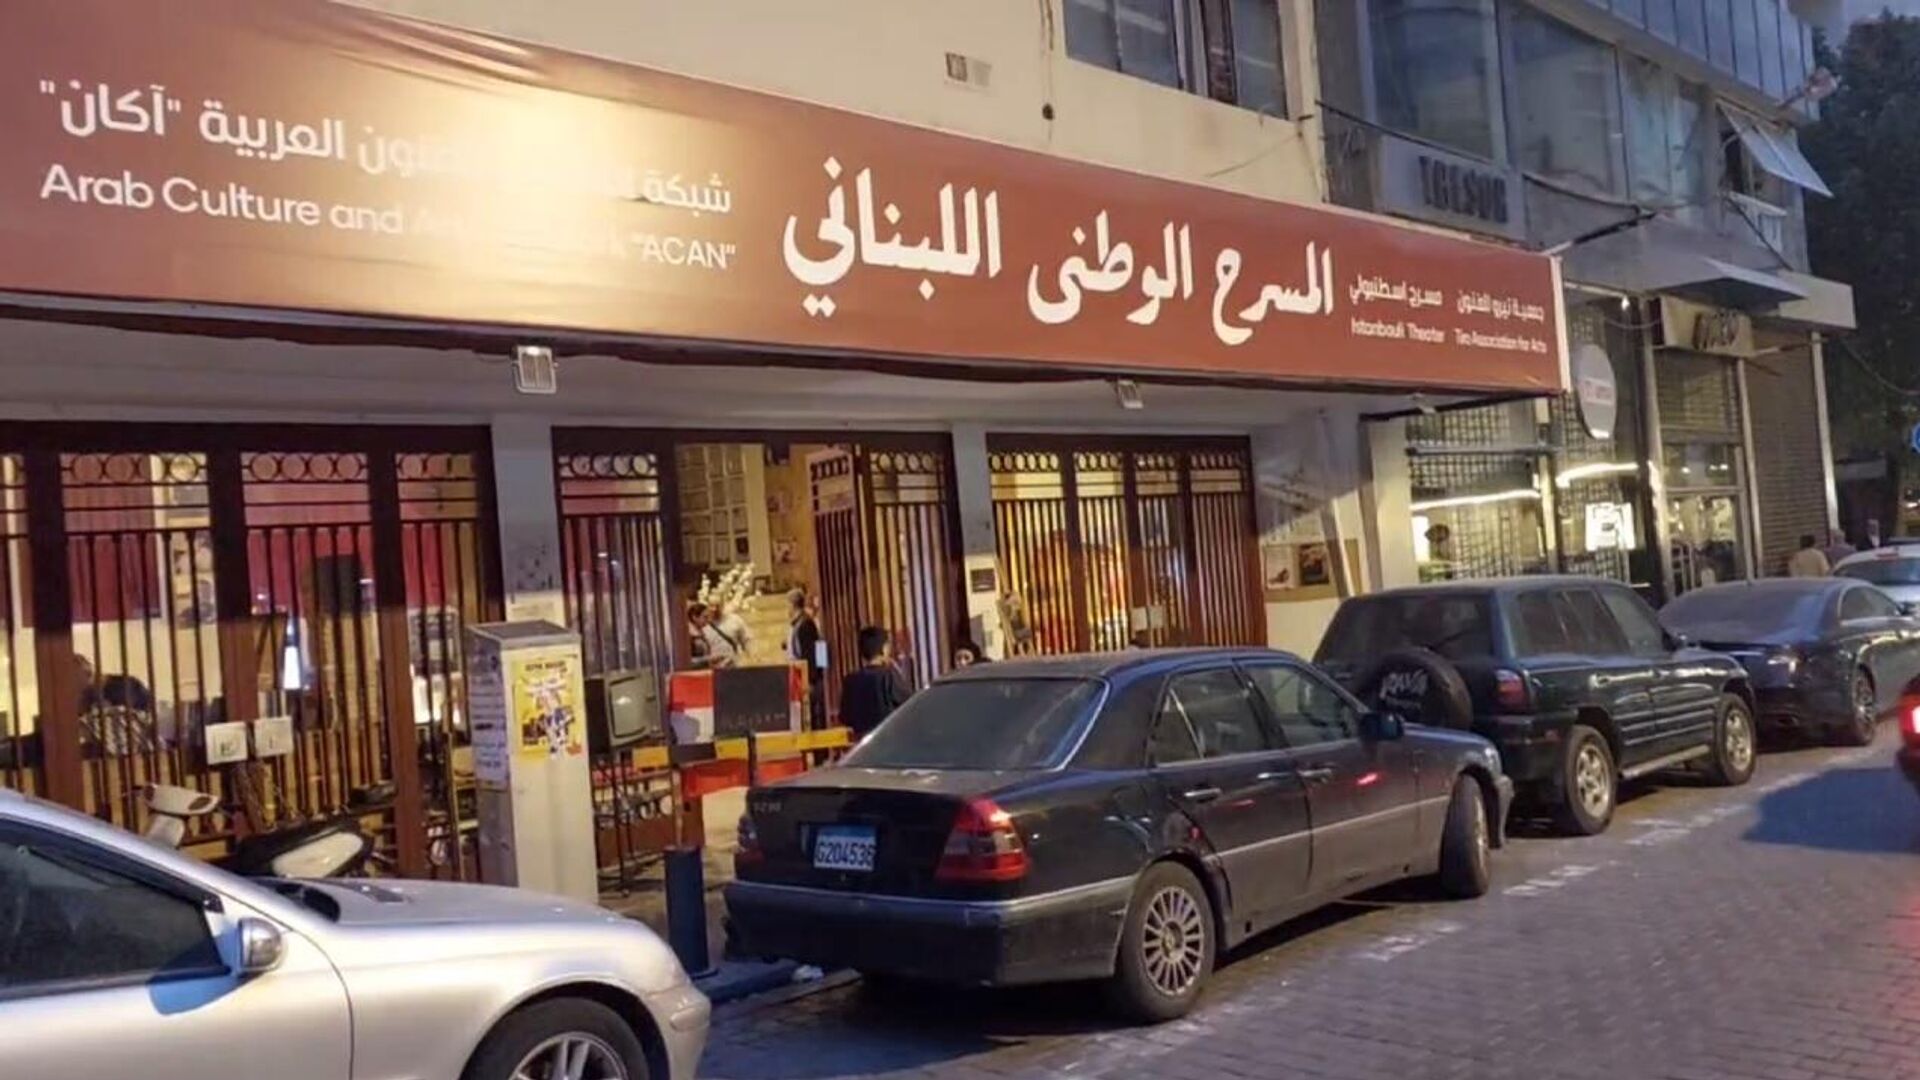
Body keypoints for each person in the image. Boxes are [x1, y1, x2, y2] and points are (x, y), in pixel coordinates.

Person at [839, 625, 911, 739]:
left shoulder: (850, 681)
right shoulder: (888, 676)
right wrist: (896, 670)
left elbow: (845, 717)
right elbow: (909, 704)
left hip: (862, 743)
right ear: (884, 649)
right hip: (889, 739)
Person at [788, 589, 826, 728]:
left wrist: (810, 679)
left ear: (792, 605)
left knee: (813, 715)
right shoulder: (799, 624)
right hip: (803, 675)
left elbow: (810, 653)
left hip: (809, 677)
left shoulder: (805, 624)